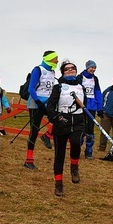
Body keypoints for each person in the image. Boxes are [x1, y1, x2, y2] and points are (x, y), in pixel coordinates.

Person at [45, 61, 86, 196]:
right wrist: (56, 118)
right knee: (60, 155)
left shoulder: (81, 87)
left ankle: (74, 167)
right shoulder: (59, 87)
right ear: (62, 72)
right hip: (62, 122)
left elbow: (86, 107)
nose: (70, 70)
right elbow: (50, 106)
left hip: (78, 121)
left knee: (76, 143)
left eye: (72, 68)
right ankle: (58, 183)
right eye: (67, 69)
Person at [24, 51, 58, 169]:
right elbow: (31, 88)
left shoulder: (53, 71)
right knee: (34, 130)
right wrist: (38, 101)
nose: (57, 61)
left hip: (48, 103)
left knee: (59, 119)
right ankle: (29, 160)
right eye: (55, 59)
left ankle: (47, 135)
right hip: (35, 103)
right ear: (50, 58)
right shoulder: (38, 69)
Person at [80, 60, 103, 159]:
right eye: (91, 67)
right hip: (82, 106)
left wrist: (100, 107)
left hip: (92, 106)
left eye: (94, 68)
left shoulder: (95, 79)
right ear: (87, 67)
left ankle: (89, 150)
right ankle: (77, 148)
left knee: (90, 128)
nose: (93, 69)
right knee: (81, 127)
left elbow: (98, 92)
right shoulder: (80, 77)